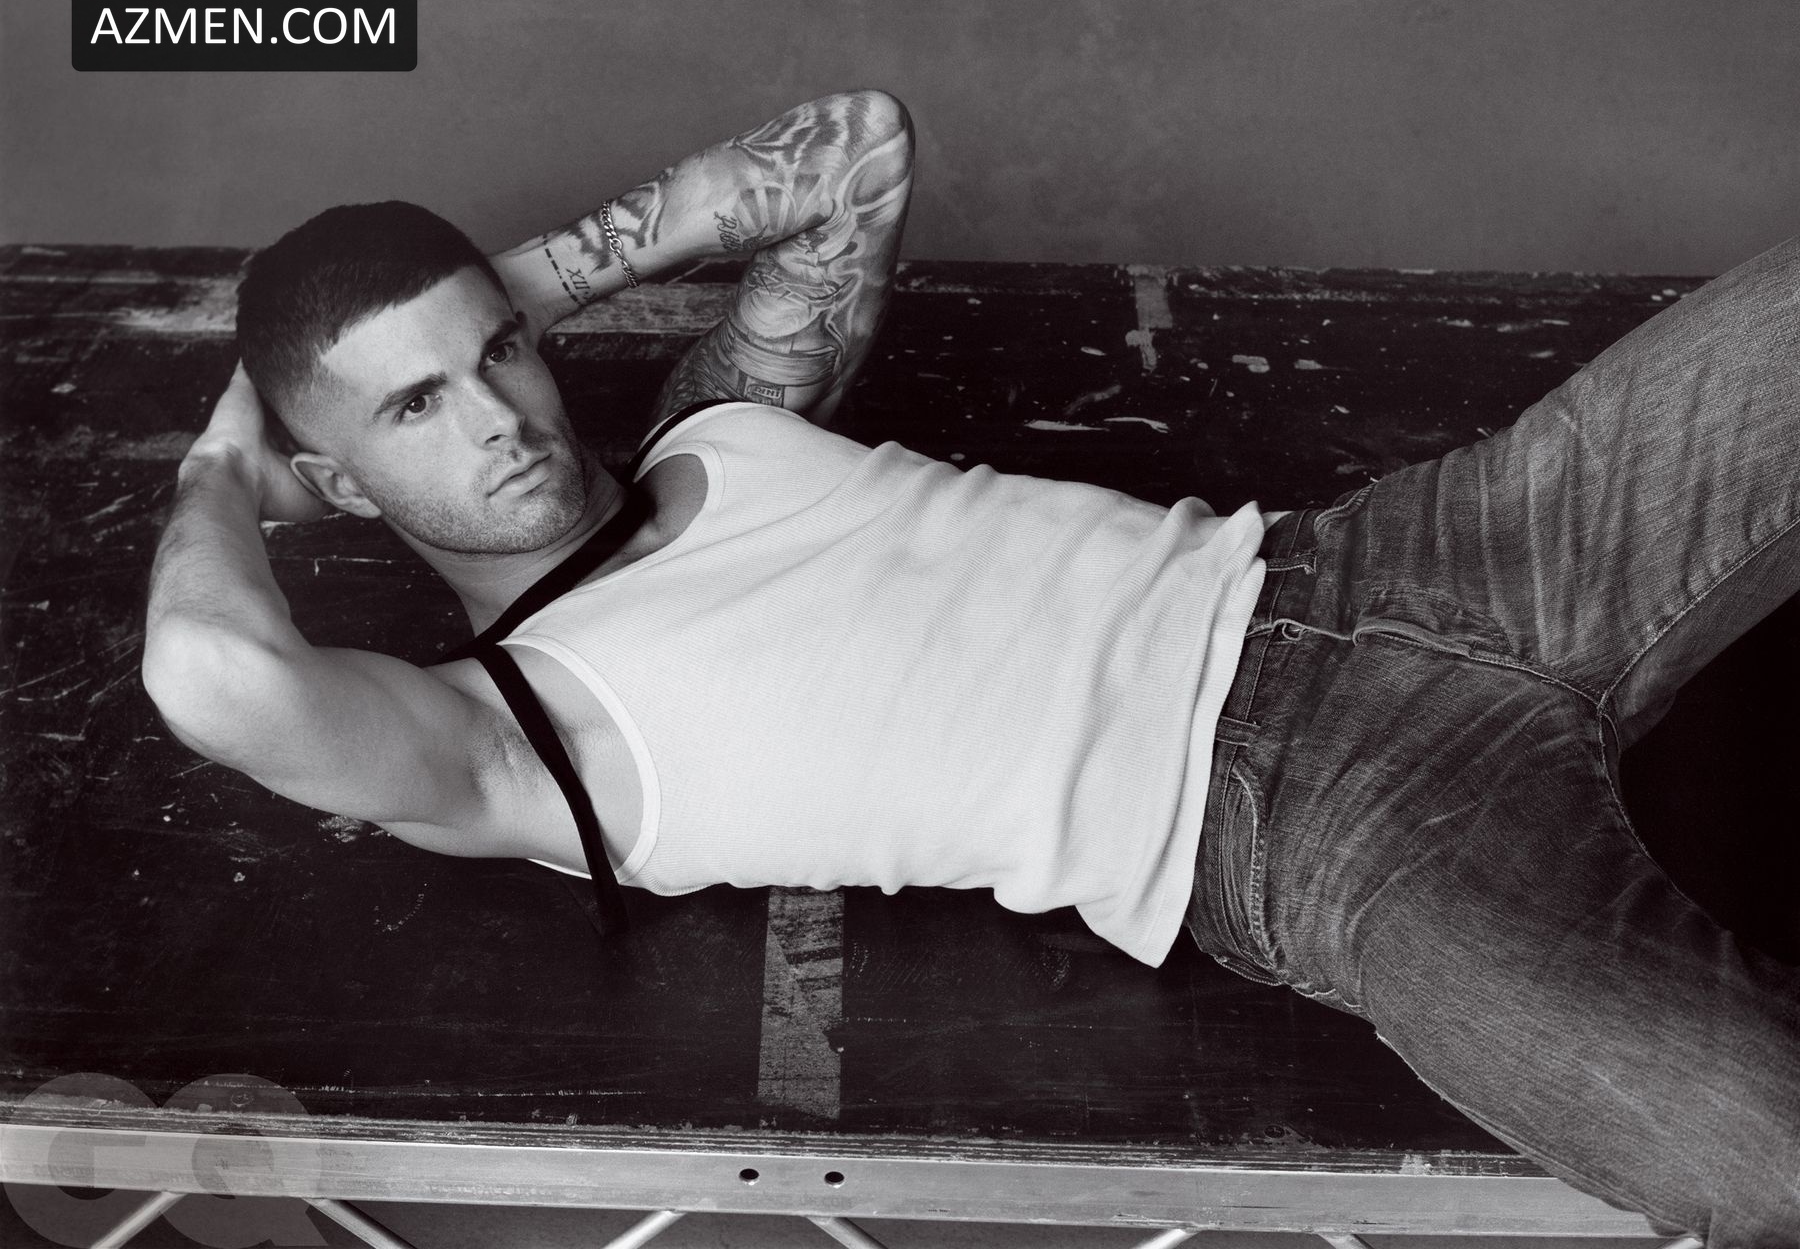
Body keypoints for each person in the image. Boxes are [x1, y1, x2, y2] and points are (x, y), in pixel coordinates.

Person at [141, 90, 1798, 1242]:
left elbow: (854, 148)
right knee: (1767, 1159)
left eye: (498, 357)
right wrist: (225, 455)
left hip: (1406, 555)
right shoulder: (513, 742)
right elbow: (213, 676)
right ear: (334, 478)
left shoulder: (722, 423)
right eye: (416, 407)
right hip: (1326, 839)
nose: (499, 417)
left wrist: (465, 301)